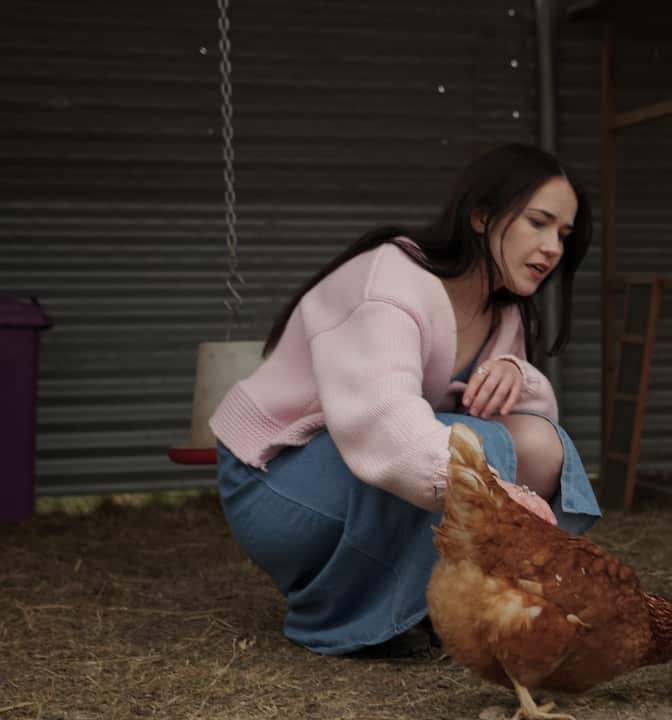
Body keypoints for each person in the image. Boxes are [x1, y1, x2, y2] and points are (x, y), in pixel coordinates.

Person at [209, 143, 601, 657]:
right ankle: (357, 613)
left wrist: (518, 376)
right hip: (274, 479)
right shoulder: (391, 277)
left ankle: (443, 608)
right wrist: (493, 497)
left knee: (536, 443)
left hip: (356, 469)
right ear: (482, 217)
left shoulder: (502, 313)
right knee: (475, 448)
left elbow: (527, 433)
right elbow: (383, 425)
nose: (553, 247)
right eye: (538, 222)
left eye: (563, 235)